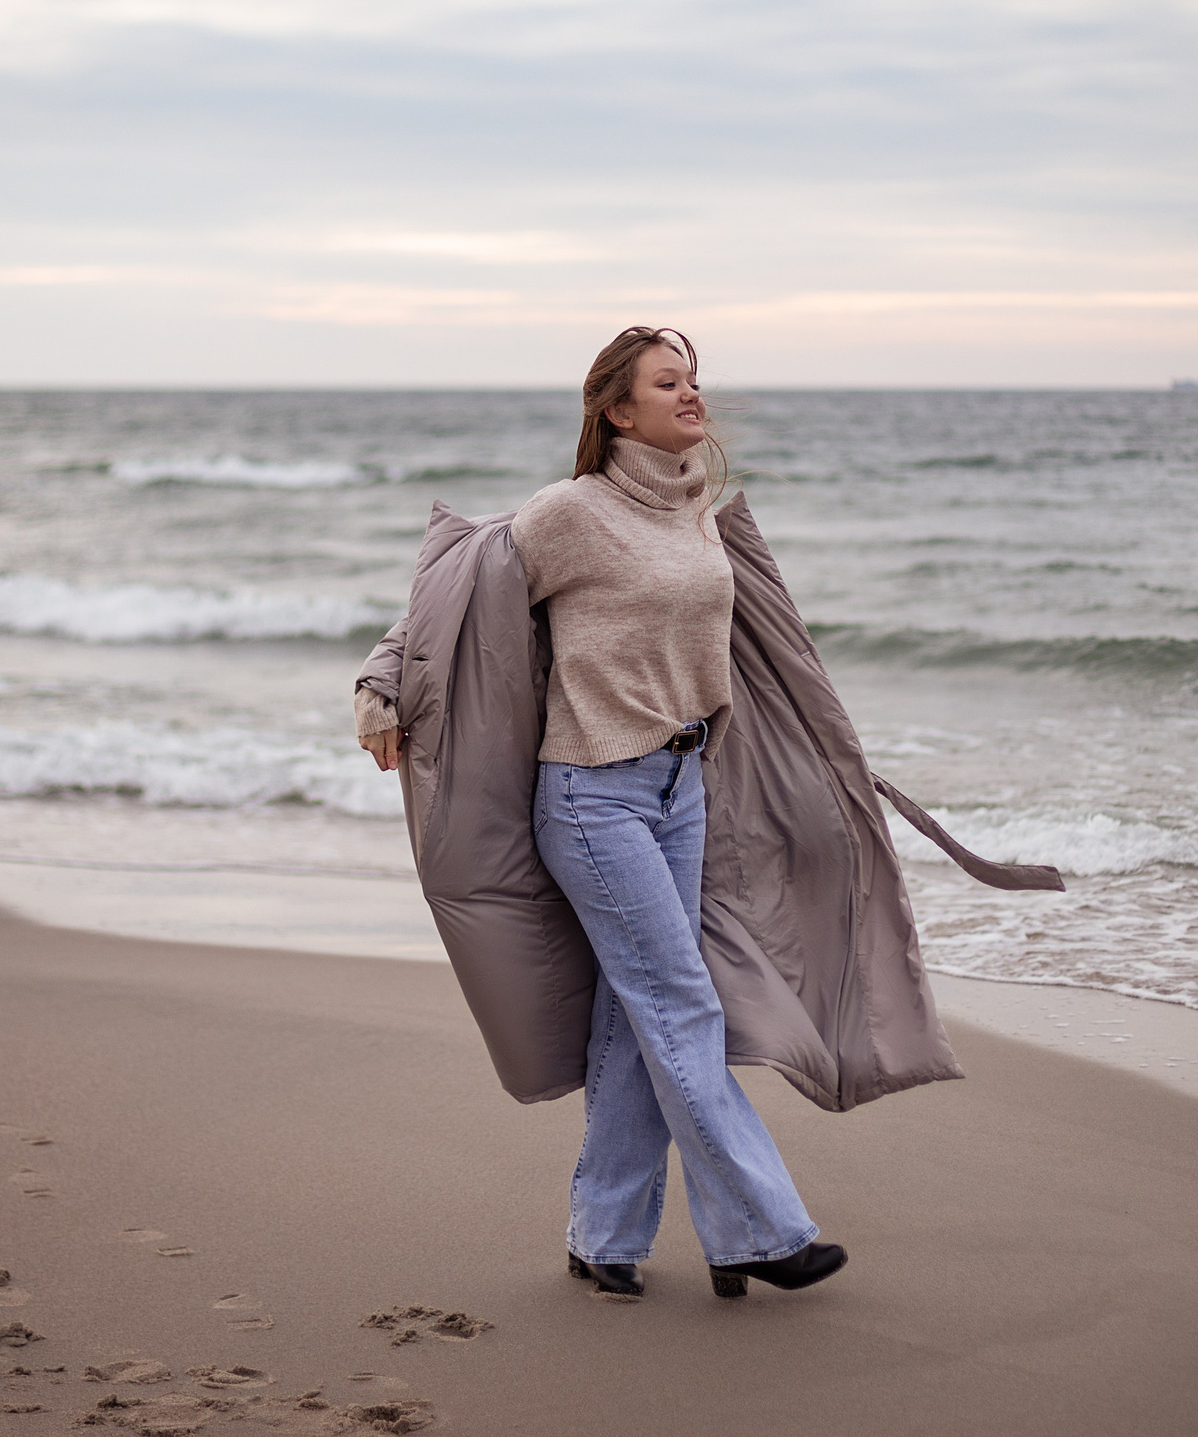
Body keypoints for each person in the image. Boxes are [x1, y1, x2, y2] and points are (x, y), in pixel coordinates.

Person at [352, 326, 1061, 1303]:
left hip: (683, 790)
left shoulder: (691, 508)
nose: (692, 394)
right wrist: (379, 683)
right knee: (682, 1003)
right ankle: (760, 1230)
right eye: (667, 382)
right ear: (616, 409)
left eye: (692, 379)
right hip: (592, 796)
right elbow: (447, 594)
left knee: (633, 1011)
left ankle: (605, 1235)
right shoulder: (570, 512)